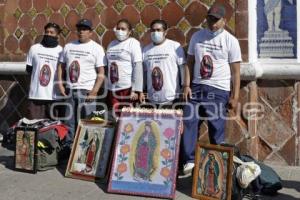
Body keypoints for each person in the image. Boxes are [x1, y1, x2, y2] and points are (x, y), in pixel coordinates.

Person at [181, 3, 242, 174]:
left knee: (216, 129)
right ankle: (190, 161)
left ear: (224, 20)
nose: (212, 23)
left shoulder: (231, 41)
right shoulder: (197, 37)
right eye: (209, 19)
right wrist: (187, 85)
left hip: (218, 89)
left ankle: (217, 168)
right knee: (189, 121)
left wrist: (234, 97)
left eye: (216, 20)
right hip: (196, 87)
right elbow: (190, 62)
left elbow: (236, 72)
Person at [57, 19, 106, 151]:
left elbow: (101, 72)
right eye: (79, 29)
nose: (81, 32)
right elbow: (61, 67)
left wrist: (95, 91)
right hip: (70, 90)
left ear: (90, 32)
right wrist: (61, 85)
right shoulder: (68, 47)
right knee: (69, 122)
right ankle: (68, 149)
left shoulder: (97, 48)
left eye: (84, 29)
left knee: (88, 122)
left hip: (87, 92)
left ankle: (88, 150)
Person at [142, 19, 186, 108]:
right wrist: (142, 90)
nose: (155, 32)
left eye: (158, 30)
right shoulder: (146, 50)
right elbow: (144, 73)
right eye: (153, 30)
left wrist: (184, 87)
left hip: (172, 99)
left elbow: (183, 68)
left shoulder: (175, 46)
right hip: (151, 99)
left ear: (165, 32)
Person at [106, 19, 143, 116]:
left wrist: (135, 90)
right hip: (113, 89)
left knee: (128, 118)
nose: (120, 31)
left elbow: (137, 66)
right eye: (118, 28)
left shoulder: (133, 43)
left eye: (123, 29)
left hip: (127, 88)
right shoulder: (111, 44)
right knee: (116, 117)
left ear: (129, 32)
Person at [26, 22, 62, 119]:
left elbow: (62, 73)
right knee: (33, 126)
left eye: (52, 32)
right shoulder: (34, 49)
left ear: (57, 35)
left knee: (52, 127)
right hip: (35, 96)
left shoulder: (61, 51)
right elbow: (29, 70)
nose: (48, 34)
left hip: (53, 96)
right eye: (47, 32)